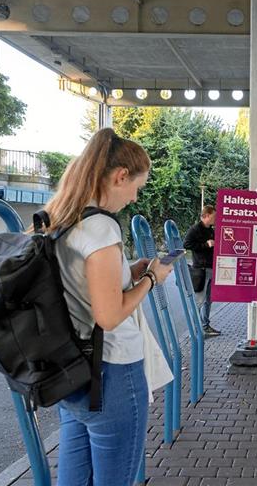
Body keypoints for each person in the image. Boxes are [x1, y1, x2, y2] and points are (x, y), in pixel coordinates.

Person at [46, 128, 173, 485]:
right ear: (120, 176)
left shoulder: (62, 217)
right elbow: (110, 315)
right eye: (137, 187)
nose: (134, 197)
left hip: (72, 371)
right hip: (111, 373)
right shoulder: (101, 227)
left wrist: (129, 271)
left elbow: (82, 284)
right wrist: (152, 278)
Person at [184, 205, 220, 336]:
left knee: (209, 300)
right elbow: (186, 244)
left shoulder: (211, 230)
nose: (215, 218)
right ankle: (195, 330)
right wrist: (205, 245)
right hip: (201, 270)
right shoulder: (195, 229)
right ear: (206, 215)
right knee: (199, 300)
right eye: (214, 216)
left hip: (211, 268)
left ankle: (205, 326)